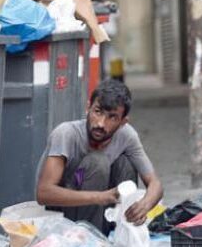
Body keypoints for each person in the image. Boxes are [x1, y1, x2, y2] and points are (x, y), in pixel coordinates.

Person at [36, 79, 163, 235]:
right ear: (88, 108)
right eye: (98, 112)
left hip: (101, 209)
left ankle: (120, 233)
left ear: (123, 122)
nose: (101, 124)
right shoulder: (66, 134)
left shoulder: (127, 136)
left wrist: (144, 205)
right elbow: (44, 193)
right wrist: (100, 197)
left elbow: (155, 184)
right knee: (97, 162)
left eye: (112, 117)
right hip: (65, 215)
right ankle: (89, 238)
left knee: (126, 164)